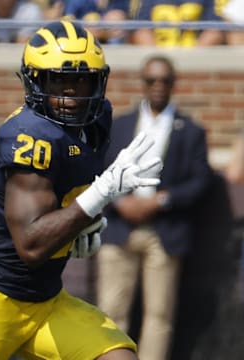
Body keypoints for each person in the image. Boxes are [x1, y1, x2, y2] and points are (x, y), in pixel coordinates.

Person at [0, 20, 163, 360]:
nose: (71, 93)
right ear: (34, 81)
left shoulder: (95, 123)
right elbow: (32, 245)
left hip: (46, 302)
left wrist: (82, 228)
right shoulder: (30, 135)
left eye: (83, 81)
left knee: (118, 356)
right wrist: (104, 191)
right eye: (58, 80)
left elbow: (62, 200)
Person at [96, 55, 213, 360]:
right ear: (142, 83)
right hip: (119, 226)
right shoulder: (120, 125)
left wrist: (160, 200)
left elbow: (200, 180)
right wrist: (122, 201)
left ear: (174, 84)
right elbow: (101, 170)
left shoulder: (190, 130)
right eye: (151, 80)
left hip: (165, 229)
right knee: (109, 313)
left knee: (159, 317)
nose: (158, 86)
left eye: (164, 80)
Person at [132, 0, 224, 47]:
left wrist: (192, 58)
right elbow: (142, 31)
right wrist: (158, 58)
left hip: (195, 55)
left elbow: (213, 31)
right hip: (159, 54)